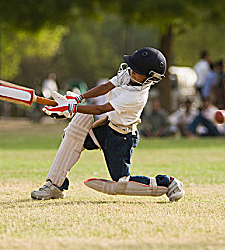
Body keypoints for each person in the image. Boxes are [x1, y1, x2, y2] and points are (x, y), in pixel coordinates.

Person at [31, 47, 185, 202]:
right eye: (132, 67)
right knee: (73, 135)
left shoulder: (137, 96)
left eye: (137, 71)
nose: (131, 71)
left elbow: (101, 108)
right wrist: (79, 98)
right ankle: (56, 185)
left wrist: (71, 108)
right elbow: (106, 87)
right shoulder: (129, 75)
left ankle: (168, 183)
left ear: (150, 78)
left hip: (122, 139)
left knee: (121, 182)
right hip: (108, 127)